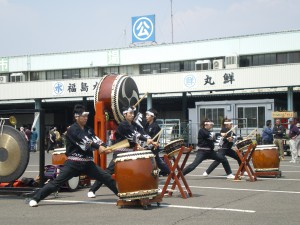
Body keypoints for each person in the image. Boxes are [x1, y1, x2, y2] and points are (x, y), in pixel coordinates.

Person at [28, 104, 117, 207]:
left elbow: (96, 140)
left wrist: (104, 147)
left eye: (87, 116)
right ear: (76, 116)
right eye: (83, 116)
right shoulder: (72, 129)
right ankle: (36, 198)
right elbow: (85, 141)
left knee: (107, 177)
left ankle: (122, 196)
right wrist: (98, 147)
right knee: (57, 183)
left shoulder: (88, 129)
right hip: (74, 163)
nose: (86, 118)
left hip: (88, 163)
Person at [87, 106, 156, 198]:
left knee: (133, 172)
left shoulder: (134, 125)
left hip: (130, 152)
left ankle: (135, 189)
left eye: (133, 113)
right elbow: (135, 135)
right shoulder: (123, 125)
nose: (132, 115)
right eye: (130, 113)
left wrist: (151, 140)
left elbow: (142, 133)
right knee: (108, 172)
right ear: (124, 114)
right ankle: (92, 189)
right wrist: (146, 140)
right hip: (120, 153)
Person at [144, 108, 170, 176]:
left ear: (152, 116)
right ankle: (166, 172)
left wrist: (148, 145)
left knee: (158, 162)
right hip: (147, 146)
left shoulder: (155, 126)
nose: (146, 116)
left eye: (148, 115)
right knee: (156, 162)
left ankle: (170, 173)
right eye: (146, 115)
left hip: (153, 147)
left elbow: (155, 140)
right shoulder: (146, 125)